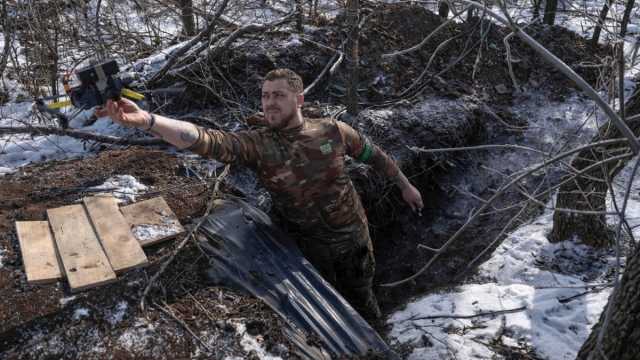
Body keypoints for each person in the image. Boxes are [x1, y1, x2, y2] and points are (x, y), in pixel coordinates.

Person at [98, 68, 423, 320]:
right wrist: (147, 120)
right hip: (303, 251)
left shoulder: (332, 131)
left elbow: (374, 155)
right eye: (265, 96)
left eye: (278, 95)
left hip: (352, 239)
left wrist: (405, 186)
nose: (269, 103)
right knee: (324, 310)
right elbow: (205, 139)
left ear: (299, 100)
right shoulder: (258, 145)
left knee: (363, 299)